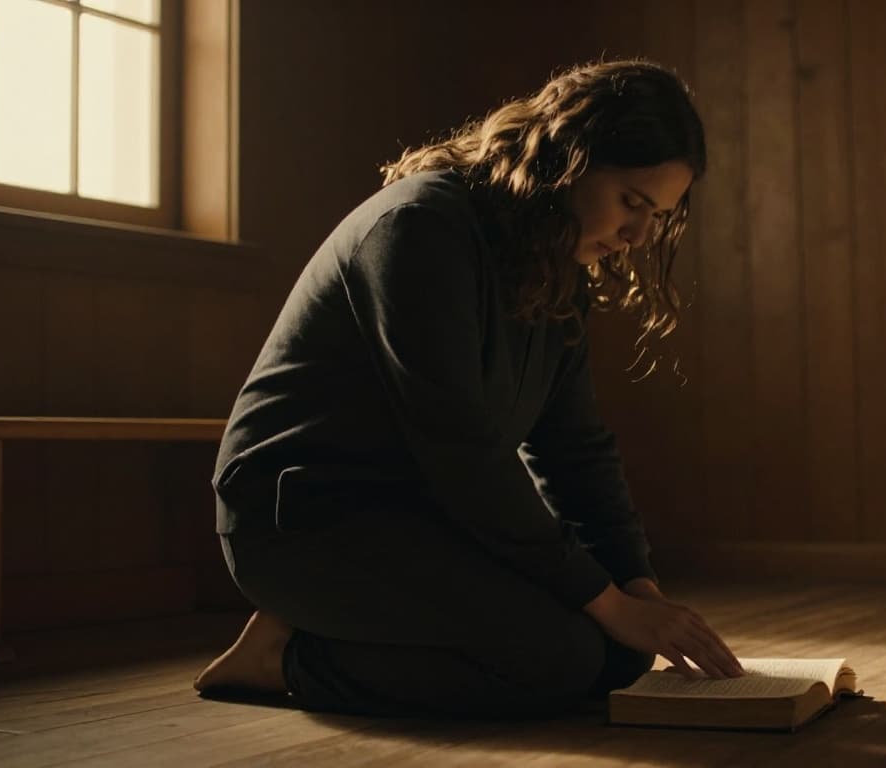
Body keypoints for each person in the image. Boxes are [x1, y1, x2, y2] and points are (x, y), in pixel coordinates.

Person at [193, 58, 744, 718]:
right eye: (631, 202)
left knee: (622, 653)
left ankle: (321, 631)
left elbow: (575, 450)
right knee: (561, 654)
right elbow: (463, 454)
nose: (637, 236)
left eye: (655, 216)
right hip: (305, 522)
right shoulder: (419, 228)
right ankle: (286, 658)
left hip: (424, 515)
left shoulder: (556, 269)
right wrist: (607, 602)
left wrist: (638, 590)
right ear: (569, 157)